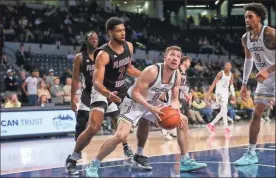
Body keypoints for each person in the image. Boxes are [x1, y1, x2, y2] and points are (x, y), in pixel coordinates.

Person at [85, 46, 207, 177]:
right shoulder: (152, 71)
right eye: (172, 55)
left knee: (183, 120)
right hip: (134, 103)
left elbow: (175, 98)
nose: (175, 58)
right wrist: (150, 108)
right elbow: (136, 93)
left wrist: (176, 110)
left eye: (178, 56)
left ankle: (185, 160)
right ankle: (94, 164)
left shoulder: (176, 74)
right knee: (120, 135)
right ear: (165, 58)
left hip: (154, 102)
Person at [65, 29, 137, 175]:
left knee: (118, 120)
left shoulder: (103, 53)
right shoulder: (80, 57)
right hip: (87, 95)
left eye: (95, 38)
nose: (93, 40)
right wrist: (73, 97)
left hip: (105, 92)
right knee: (86, 127)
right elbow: (74, 79)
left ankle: (125, 146)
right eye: (90, 38)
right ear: (86, 41)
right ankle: (74, 156)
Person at [234, 3, 275, 166]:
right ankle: (251, 153)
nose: (247, 19)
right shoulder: (246, 38)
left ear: (259, 17)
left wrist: (268, 70)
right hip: (265, 79)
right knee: (256, 114)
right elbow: (248, 60)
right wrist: (244, 84)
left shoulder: (270, 33)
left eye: (250, 16)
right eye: (245, 17)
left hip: (270, 73)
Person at [205, 62, 235, 135]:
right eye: (226, 65)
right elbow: (213, 84)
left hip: (226, 94)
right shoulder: (220, 73)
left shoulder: (231, 75)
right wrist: (208, 93)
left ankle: (211, 124)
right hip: (219, 93)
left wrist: (233, 95)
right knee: (225, 109)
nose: (227, 66)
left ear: (231, 67)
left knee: (223, 111)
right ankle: (226, 128)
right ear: (224, 66)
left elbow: (231, 85)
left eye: (229, 65)